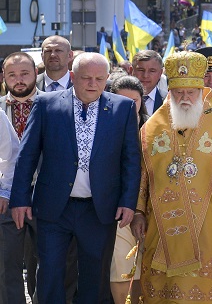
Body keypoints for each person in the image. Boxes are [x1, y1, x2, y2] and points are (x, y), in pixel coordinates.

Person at [10, 52, 142, 303]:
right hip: (53, 208)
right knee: (49, 274)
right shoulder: (46, 104)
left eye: (99, 78)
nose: (92, 84)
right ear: (72, 76)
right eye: (86, 78)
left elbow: (131, 160)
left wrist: (128, 202)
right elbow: (27, 155)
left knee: (95, 277)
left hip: (99, 208)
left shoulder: (122, 108)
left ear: (107, 80)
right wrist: (20, 199)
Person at [130, 51, 212, 302]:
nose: (185, 98)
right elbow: (141, 173)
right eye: (179, 93)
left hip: (207, 220)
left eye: (191, 93)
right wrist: (137, 212)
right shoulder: (151, 129)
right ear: (170, 92)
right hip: (160, 222)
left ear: (201, 92)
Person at [0, 52, 41, 303]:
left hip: (45, 194)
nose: (19, 80)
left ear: (36, 73)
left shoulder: (54, 104)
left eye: (24, 73)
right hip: (6, 198)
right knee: (7, 266)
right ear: (4, 77)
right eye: (12, 75)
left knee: (48, 264)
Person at [107, 75, 149, 304]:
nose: (129, 106)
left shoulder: (154, 128)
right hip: (118, 209)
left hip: (152, 210)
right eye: (122, 100)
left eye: (134, 101)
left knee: (146, 268)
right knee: (122, 266)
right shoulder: (102, 128)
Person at [132, 50, 166, 115]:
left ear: (160, 73)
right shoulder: (121, 99)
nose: (145, 76)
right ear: (132, 71)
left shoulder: (167, 101)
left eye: (152, 71)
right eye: (141, 70)